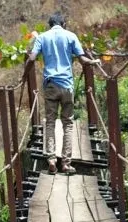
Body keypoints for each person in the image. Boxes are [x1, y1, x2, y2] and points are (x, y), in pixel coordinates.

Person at [28, 14, 101, 174]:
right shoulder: (71, 36)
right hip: (67, 86)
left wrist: (24, 74)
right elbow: (82, 60)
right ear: (64, 24)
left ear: (49, 25)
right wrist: (93, 62)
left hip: (51, 86)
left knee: (50, 123)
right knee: (68, 124)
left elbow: (32, 58)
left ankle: (52, 160)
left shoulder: (42, 37)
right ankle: (66, 164)